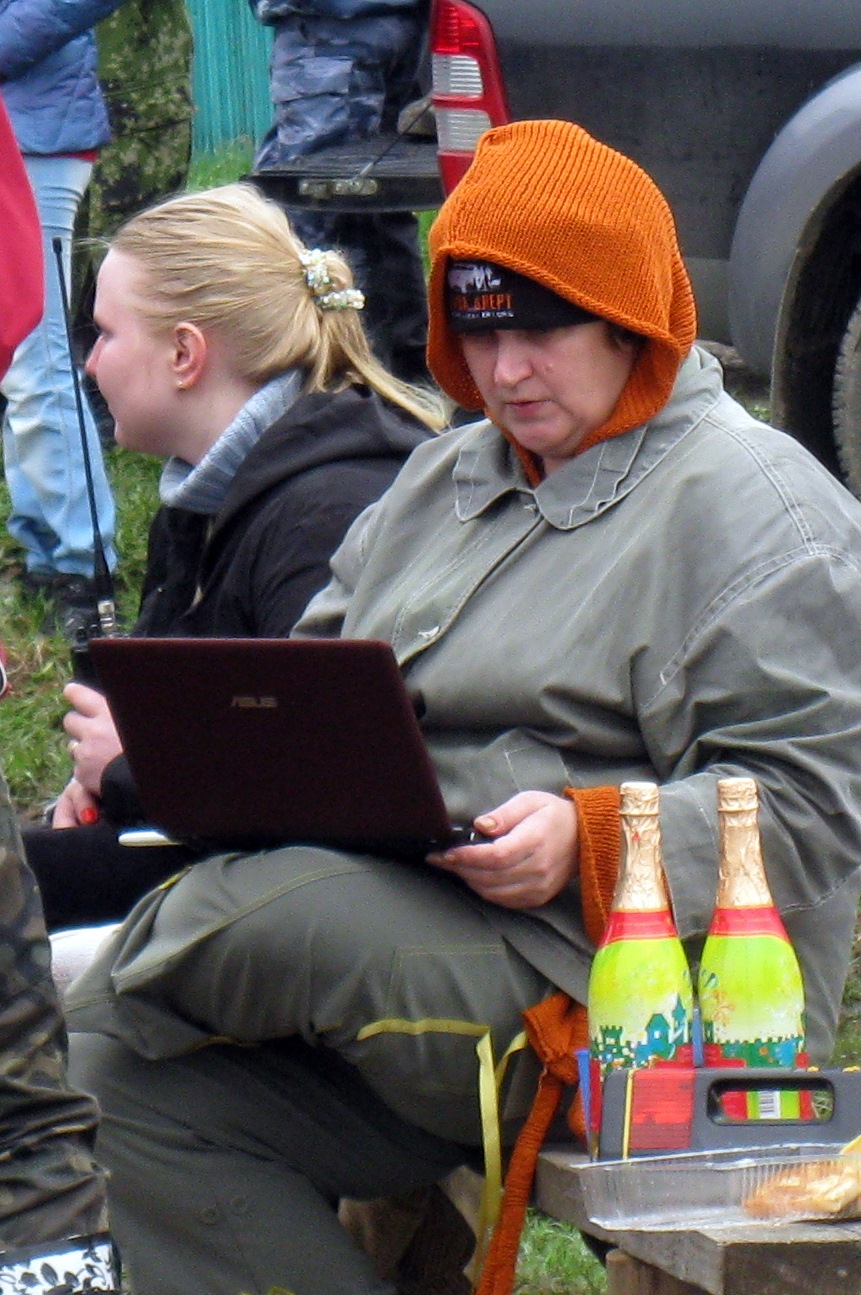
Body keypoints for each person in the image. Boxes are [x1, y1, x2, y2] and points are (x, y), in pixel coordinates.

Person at [64, 119, 861, 1295]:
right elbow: (314, 679)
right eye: (481, 333)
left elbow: (818, 808)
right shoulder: (445, 476)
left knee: (259, 919)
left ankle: (43, 983)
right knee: (103, 1082)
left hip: (626, 999)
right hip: (391, 924)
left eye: (542, 331)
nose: (509, 371)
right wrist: (215, 752)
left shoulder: (759, 510)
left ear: (631, 319)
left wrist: (590, 835)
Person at [23, 181, 443, 932]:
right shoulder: (204, 492)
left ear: (185, 353)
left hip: (302, 904)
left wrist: (129, 768)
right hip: (208, 856)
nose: (89, 365)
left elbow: (325, 797)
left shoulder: (327, 513)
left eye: (105, 335)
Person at [0, 0, 122, 636]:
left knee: (37, 357)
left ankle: (86, 564)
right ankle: (46, 548)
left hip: (37, 136)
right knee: (14, 355)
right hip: (19, 127)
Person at [249, 0, 432, 384]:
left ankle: (332, 374)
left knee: (313, 208)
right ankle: (407, 377)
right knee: (379, 208)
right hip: (398, 23)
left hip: (329, 27)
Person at [73, 0, 195, 443]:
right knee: (55, 258)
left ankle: (135, 393)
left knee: (136, 257)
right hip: (53, 96)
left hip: (137, 90)